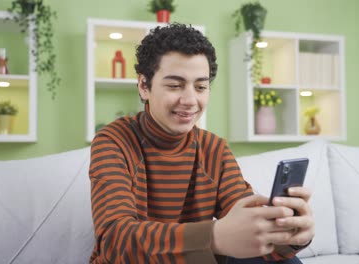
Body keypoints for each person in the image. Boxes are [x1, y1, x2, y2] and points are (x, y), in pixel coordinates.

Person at [89, 23, 315, 264]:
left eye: (200, 87)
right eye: (175, 85)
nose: (190, 100)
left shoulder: (213, 149)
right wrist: (213, 237)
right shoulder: (113, 141)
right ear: (144, 85)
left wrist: (290, 235)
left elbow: (250, 234)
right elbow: (115, 242)